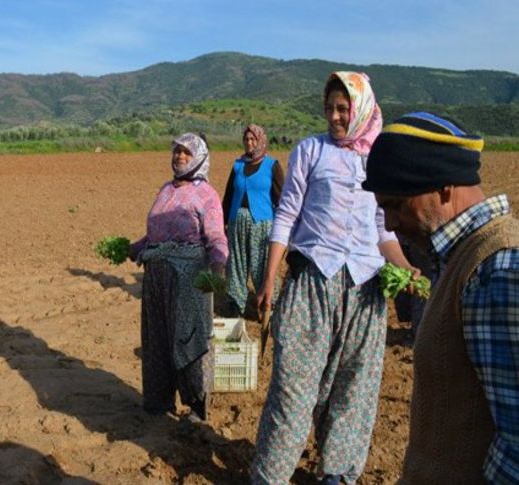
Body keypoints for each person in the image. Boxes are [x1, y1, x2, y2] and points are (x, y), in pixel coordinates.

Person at [250, 72, 413, 485]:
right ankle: (269, 476)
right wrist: (269, 279)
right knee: (293, 389)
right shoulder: (311, 150)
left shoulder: (378, 160)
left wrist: (408, 269)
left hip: (365, 289)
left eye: (344, 109)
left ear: (360, 109)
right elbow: (286, 216)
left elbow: (384, 231)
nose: (335, 117)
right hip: (311, 283)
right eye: (330, 109)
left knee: (354, 390)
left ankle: (336, 475)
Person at [363, 112, 519, 484]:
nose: (389, 224)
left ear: (445, 188)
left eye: (397, 205)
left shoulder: (493, 270)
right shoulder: (463, 259)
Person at [129, 133, 228, 422]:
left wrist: (218, 267)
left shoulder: (206, 195)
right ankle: (159, 402)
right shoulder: (165, 190)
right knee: (157, 339)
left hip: (188, 279)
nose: (180, 157)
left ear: (199, 157)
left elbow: (216, 237)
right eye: (177, 152)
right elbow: (156, 232)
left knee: (188, 340)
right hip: (156, 277)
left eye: (186, 152)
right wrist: (135, 247)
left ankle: (196, 406)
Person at [221, 124, 284, 316]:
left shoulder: (271, 166)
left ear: (260, 140)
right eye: (246, 139)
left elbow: (281, 198)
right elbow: (229, 195)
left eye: (253, 139)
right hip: (236, 222)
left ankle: (268, 302)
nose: (249, 143)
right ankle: (235, 302)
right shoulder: (238, 165)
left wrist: (283, 228)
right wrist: (222, 221)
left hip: (262, 225)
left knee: (261, 265)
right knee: (236, 263)